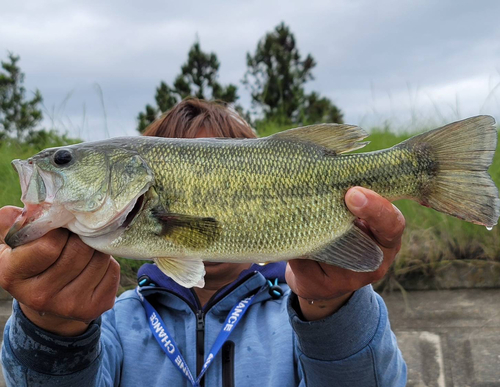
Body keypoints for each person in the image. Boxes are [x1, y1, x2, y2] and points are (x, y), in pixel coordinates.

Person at [0, 98, 407, 386]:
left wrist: (332, 306)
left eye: (64, 161)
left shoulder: (298, 316)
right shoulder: (114, 321)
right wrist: (52, 328)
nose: (52, 167)